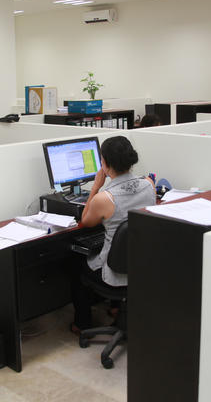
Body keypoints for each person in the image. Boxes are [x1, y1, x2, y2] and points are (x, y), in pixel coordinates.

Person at [71, 136, 156, 333]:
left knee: (76, 263)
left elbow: (85, 221)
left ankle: (81, 324)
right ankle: (117, 308)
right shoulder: (149, 184)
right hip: (142, 268)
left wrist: (95, 186)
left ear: (105, 164)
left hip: (116, 274)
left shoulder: (104, 198)